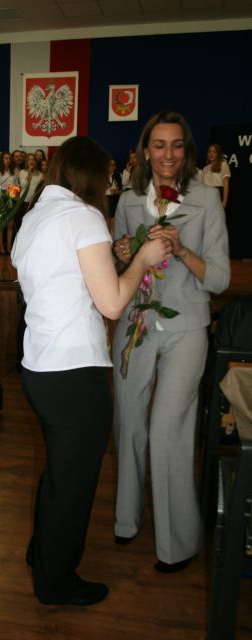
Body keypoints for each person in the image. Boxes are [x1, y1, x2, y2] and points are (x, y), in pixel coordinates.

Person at [11, 136, 170, 606]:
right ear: (92, 178)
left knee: (60, 472)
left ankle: (43, 552)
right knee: (75, 481)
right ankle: (56, 582)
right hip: (74, 370)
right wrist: (142, 259)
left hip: (40, 367)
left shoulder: (34, 217)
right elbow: (112, 303)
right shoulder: (83, 217)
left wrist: (117, 259)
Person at [111, 111, 230, 573]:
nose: (168, 154)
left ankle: (177, 542)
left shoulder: (207, 199)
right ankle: (127, 519)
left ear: (187, 150)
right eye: (159, 145)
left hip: (186, 326)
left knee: (167, 430)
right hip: (135, 323)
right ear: (145, 150)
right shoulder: (127, 200)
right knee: (128, 421)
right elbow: (120, 265)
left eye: (177, 145)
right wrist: (123, 253)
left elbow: (219, 279)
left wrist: (181, 250)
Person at [201, 143, 231, 209]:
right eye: (209, 152)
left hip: (217, 195)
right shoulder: (205, 168)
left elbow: (226, 184)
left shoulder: (223, 165)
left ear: (218, 154)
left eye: (214, 152)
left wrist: (224, 202)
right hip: (206, 197)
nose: (211, 154)